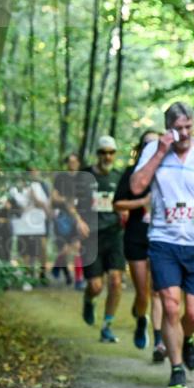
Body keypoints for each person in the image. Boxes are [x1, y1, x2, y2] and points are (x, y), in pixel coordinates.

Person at [130, 102, 194, 388]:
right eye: (178, 128)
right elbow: (137, 187)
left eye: (188, 127)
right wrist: (160, 152)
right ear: (168, 129)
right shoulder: (153, 152)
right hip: (164, 240)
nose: (184, 133)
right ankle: (176, 369)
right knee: (171, 307)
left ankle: (186, 339)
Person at [114, 129, 166, 359]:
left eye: (156, 144)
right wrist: (142, 202)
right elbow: (117, 204)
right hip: (136, 236)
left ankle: (159, 342)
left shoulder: (168, 173)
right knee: (143, 293)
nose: (151, 148)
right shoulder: (131, 174)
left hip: (161, 237)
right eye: (147, 144)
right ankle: (141, 319)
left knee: (157, 291)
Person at [81, 136, 126, 343]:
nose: (107, 156)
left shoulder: (119, 177)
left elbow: (127, 201)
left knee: (116, 282)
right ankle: (89, 300)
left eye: (111, 152)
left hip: (114, 235)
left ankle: (107, 326)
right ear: (97, 154)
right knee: (96, 286)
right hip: (91, 237)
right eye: (103, 152)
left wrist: (125, 211)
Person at [51, 153, 89, 288]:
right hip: (64, 217)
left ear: (79, 163)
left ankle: (79, 280)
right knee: (66, 248)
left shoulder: (84, 178)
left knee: (77, 247)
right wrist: (65, 201)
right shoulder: (61, 177)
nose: (72, 164)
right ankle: (57, 265)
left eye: (75, 161)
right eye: (70, 161)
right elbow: (54, 197)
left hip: (79, 217)